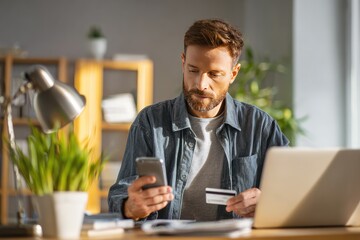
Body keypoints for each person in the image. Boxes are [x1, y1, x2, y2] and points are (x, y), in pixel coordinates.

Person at [108, 18, 289, 221]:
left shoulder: (260, 126)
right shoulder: (150, 122)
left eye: (214, 74)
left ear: (233, 74)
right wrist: (130, 206)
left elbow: (292, 193)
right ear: (183, 63)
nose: (201, 84)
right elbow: (120, 194)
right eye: (193, 70)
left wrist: (269, 202)